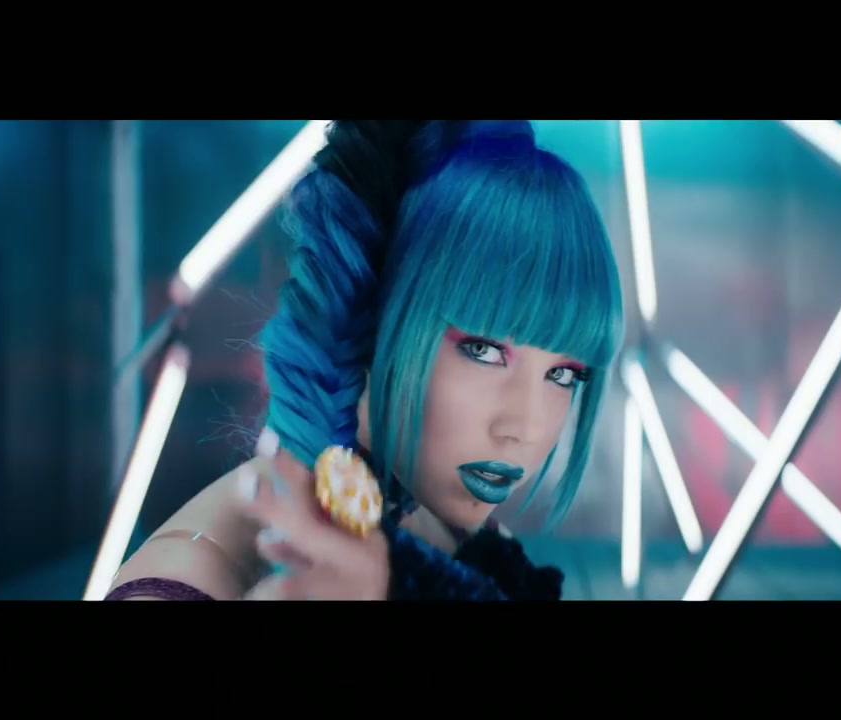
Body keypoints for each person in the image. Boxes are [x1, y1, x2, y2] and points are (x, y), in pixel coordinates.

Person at [106, 120, 624, 601]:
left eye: (563, 374)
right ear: (373, 314)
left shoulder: (452, 535)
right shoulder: (181, 584)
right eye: (483, 350)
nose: (526, 428)